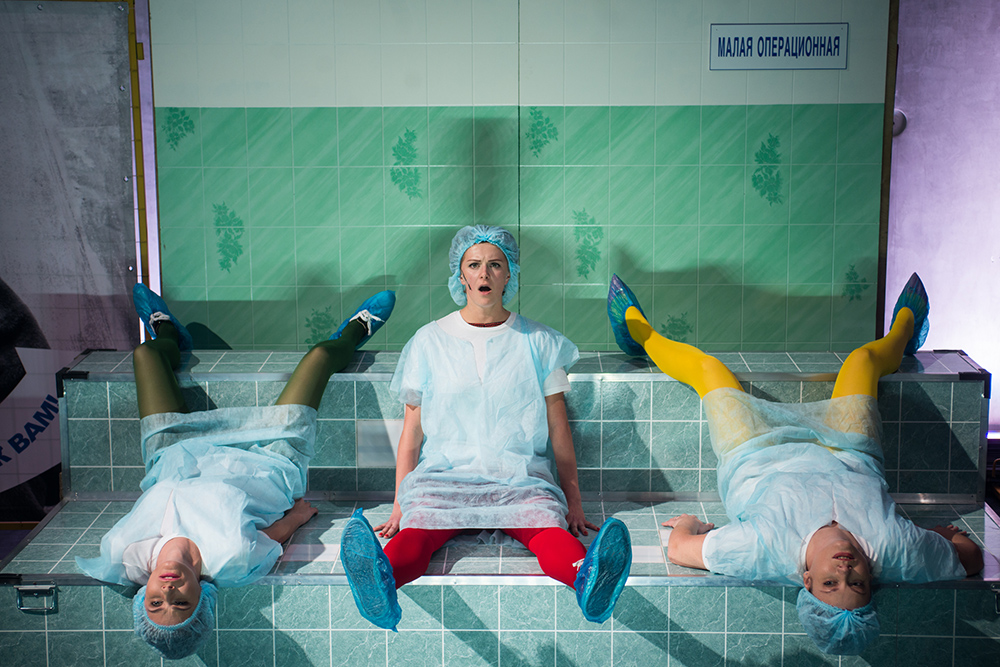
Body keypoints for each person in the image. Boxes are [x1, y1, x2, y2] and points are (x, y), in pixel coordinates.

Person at [606, 272, 983, 655]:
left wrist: (690, 523)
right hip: (848, 450)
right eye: (857, 584)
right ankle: (905, 328)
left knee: (709, 370)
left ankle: (639, 332)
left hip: (753, 453)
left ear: (807, 580)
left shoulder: (762, 550)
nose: (844, 571)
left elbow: (678, 550)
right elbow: (971, 559)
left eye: (830, 584)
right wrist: (941, 536)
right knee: (862, 360)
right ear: (871, 579)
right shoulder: (896, 550)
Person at [76, 284, 396, 660]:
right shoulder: (232, 560)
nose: (168, 592)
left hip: (173, 453)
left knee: (145, 355)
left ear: (141, 597)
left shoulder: (122, 555)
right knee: (320, 357)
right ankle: (357, 329)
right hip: (268, 457)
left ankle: (167, 333)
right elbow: (273, 537)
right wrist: (297, 516)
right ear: (203, 599)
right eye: (181, 604)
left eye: (156, 603)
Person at [339, 225, 631, 630]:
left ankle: (587, 580)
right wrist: (401, 503)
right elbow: (412, 433)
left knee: (547, 528)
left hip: (518, 477)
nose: (484, 273)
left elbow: (559, 429)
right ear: (460, 275)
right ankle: (381, 584)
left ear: (509, 274)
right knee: (418, 530)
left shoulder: (540, 342)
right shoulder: (428, 342)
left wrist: (574, 503)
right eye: (474, 265)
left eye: (495, 265)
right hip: (445, 476)